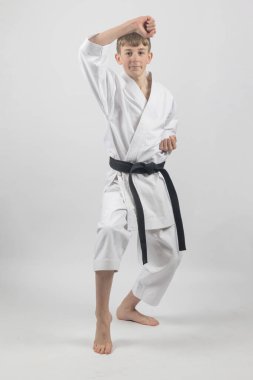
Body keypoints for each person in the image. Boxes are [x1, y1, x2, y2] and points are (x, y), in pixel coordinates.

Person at [78, 15, 186, 355]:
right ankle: (102, 317)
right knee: (110, 230)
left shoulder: (165, 95)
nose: (135, 58)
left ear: (150, 57)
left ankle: (127, 306)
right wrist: (129, 26)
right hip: (121, 180)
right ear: (118, 58)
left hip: (152, 180)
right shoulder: (111, 88)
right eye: (128, 52)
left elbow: (168, 129)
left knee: (168, 257)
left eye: (140, 51)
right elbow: (88, 49)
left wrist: (170, 140)